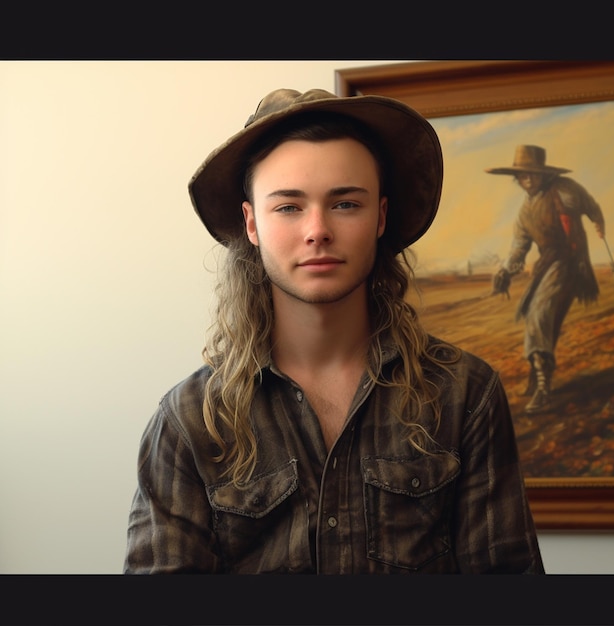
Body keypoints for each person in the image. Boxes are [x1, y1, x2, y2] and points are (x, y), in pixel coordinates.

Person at [124, 88, 544, 574]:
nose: (317, 229)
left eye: (345, 204)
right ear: (252, 222)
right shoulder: (192, 420)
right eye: (288, 207)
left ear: (380, 216)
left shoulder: (464, 393)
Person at [486, 145, 606, 414]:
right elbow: (519, 248)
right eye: (523, 175)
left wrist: (599, 222)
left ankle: (543, 387)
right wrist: (507, 269)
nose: (528, 180)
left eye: (533, 174)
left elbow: (591, 206)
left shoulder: (565, 190)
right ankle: (538, 376)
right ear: (517, 178)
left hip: (570, 262)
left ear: (542, 174)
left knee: (539, 314)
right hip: (547, 264)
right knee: (534, 313)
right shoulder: (525, 213)